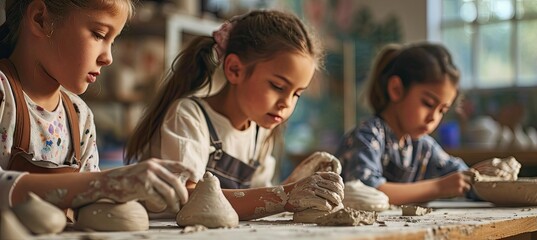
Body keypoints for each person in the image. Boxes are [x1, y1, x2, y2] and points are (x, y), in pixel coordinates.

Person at [125, 10, 344, 220]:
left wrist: (297, 184)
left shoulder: (259, 132)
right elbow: (189, 199)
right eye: (278, 86)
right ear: (234, 70)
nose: (286, 103)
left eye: (297, 93)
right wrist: (286, 194)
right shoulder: (189, 116)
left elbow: (259, 199)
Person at [0, 0, 189, 213]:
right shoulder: (4, 95)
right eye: (99, 35)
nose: (108, 58)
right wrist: (106, 182)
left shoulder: (79, 116)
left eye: (113, 41)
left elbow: (90, 206)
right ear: (40, 19)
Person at [334, 42, 520, 205]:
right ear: (396, 89)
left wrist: (484, 177)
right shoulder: (368, 136)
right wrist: (439, 187)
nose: (434, 118)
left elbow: (463, 179)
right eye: (428, 104)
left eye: (442, 110)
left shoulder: (423, 147)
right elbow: (365, 193)